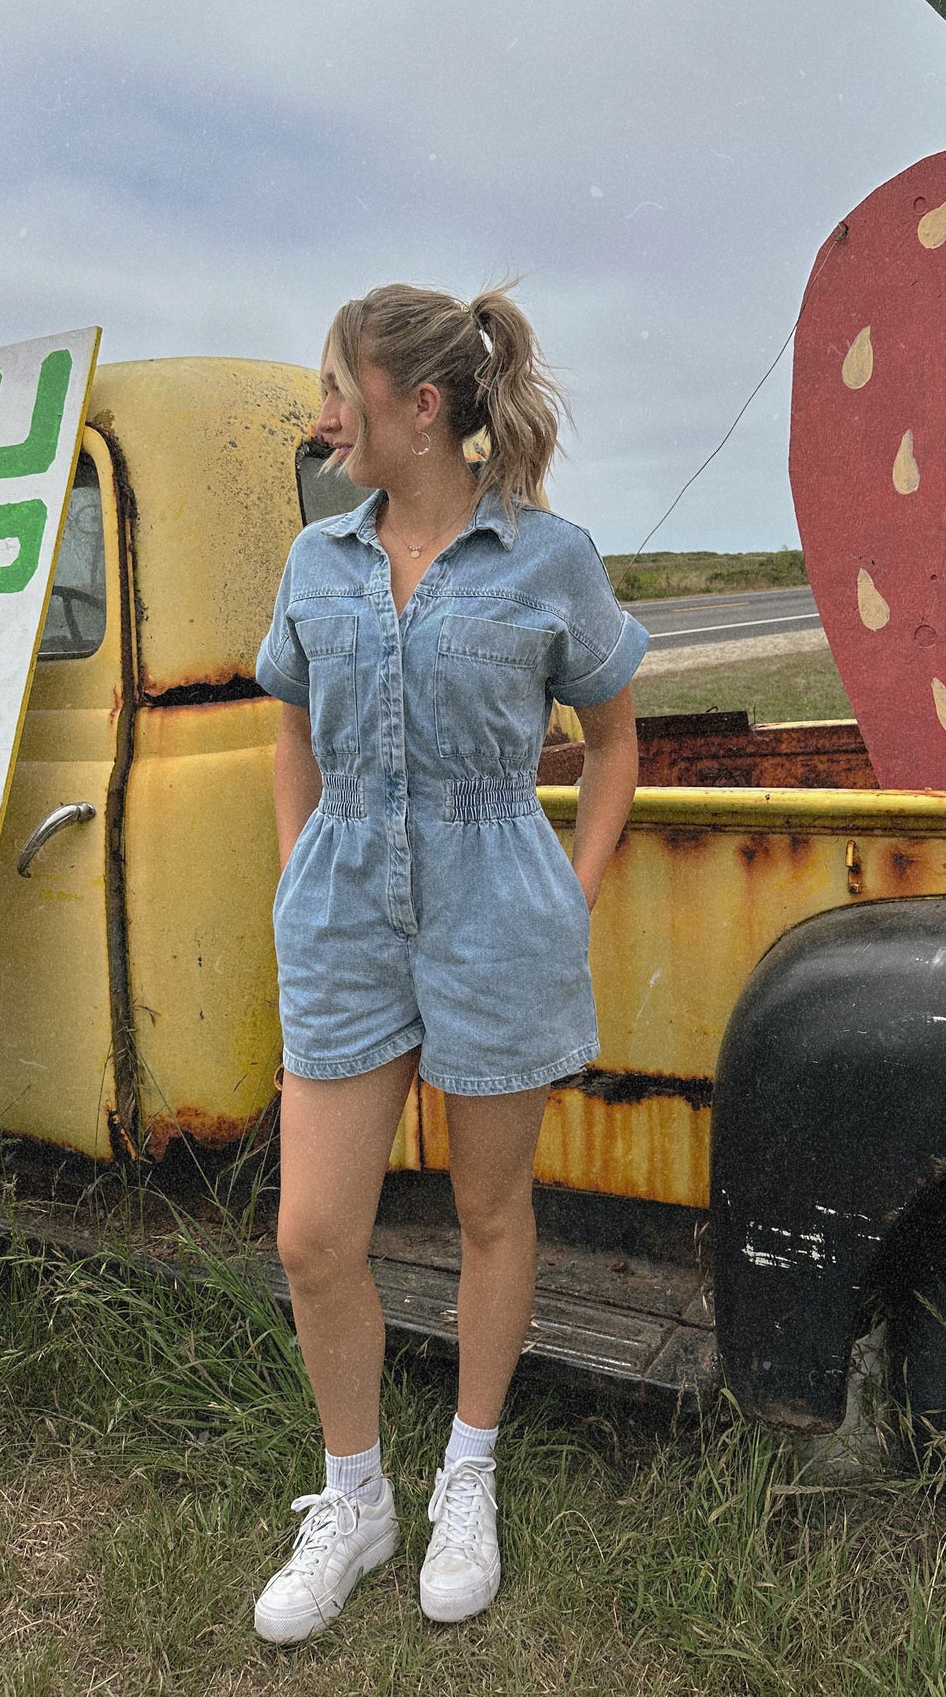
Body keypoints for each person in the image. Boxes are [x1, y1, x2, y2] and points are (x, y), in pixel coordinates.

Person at [251, 281, 646, 1643]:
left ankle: (465, 1472)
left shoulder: (550, 559)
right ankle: (352, 1495)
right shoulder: (319, 564)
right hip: (346, 917)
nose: (319, 423)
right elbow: (290, 720)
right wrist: (305, 861)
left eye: (334, 394)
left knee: (487, 1213)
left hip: (497, 916)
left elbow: (613, 742)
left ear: (417, 407)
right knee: (313, 1234)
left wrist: (567, 894)